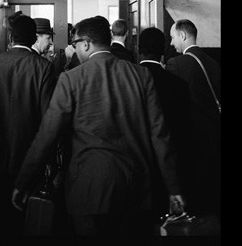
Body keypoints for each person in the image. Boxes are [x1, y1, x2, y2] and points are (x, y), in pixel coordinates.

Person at [11, 16, 185, 236]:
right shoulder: (141, 75)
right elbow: (160, 136)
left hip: (89, 190)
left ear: (85, 43)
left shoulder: (71, 79)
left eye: (75, 45)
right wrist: (174, 188)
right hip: (136, 189)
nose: (75, 50)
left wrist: (24, 181)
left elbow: (48, 135)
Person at [0, 12, 57, 240]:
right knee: (26, 224)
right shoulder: (43, 68)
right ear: (32, 39)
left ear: (11, 37)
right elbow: (49, 118)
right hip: (28, 159)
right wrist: (49, 160)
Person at [166, 19, 221, 217]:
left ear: (183, 35)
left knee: (195, 197)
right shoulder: (213, 63)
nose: (171, 43)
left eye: (173, 37)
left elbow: (174, 106)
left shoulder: (177, 64)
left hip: (193, 140)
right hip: (214, 137)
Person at [138, 27, 193, 219]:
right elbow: (187, 132)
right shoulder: (179, 85)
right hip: (171, 167)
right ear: (163, 51)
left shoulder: (131, 81)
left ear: (139, 49)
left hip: (138, 168)